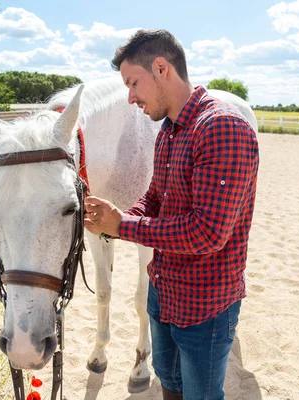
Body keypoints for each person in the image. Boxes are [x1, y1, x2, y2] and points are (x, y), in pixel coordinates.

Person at [84, 29, 259, 400]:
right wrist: (114, 220)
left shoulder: (223, 127)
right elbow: (154, 199)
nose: (130, 97)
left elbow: (206, 233)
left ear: (161, 68)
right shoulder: (169, 130)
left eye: (133, 83)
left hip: (205, 305)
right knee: (170, 384)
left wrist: (124, 225)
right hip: (163, 292)